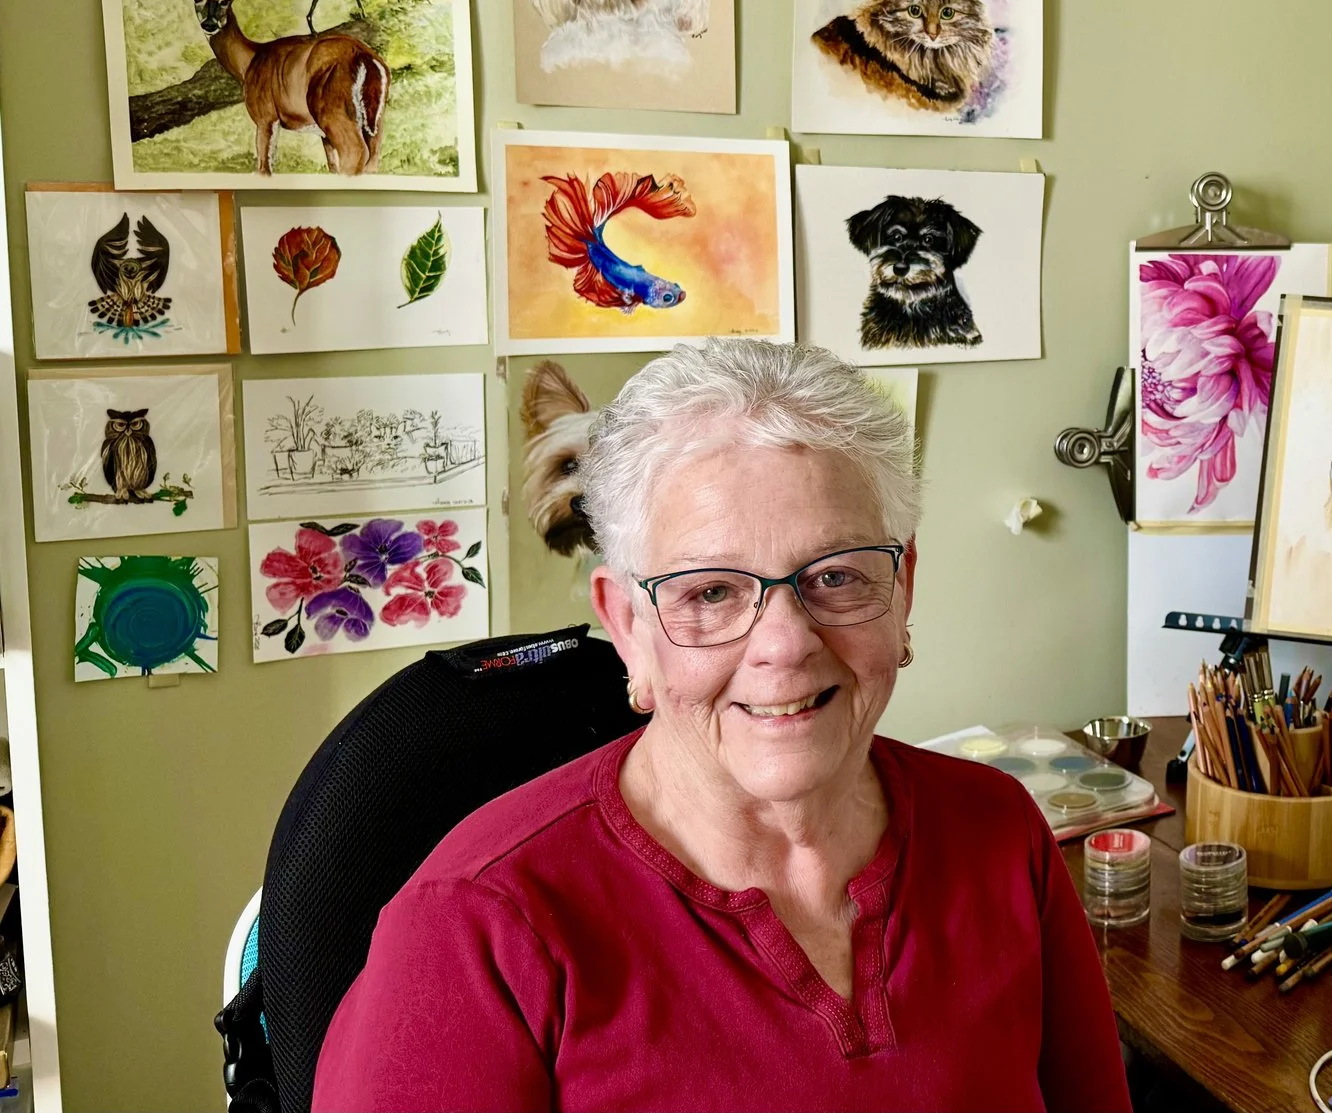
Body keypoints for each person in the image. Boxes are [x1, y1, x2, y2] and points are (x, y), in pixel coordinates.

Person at [315, 339, 1129, 1111]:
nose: (785, 642)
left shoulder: (999, 830)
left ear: (904, 587)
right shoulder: (470, 930)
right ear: (626, 625)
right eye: (710, 591)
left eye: (837, 574)